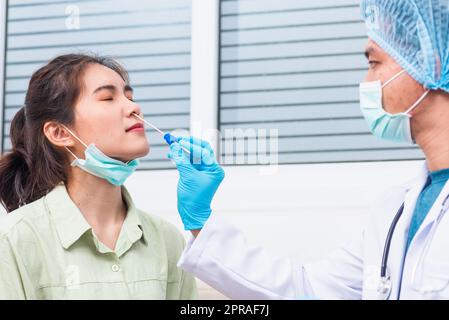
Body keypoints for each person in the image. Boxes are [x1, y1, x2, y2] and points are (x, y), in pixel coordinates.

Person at [167, 0, 449, 299]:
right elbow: (308, 291)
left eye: (373, 63)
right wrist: (201, 221)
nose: (366, 82)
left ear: (430, 61)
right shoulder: (394, 209)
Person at [0, 54, 197, 299]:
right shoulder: (14, 239)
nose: (134, 107)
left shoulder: (168, 239)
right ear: (60, 132)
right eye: (107, 98)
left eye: (129, 97)